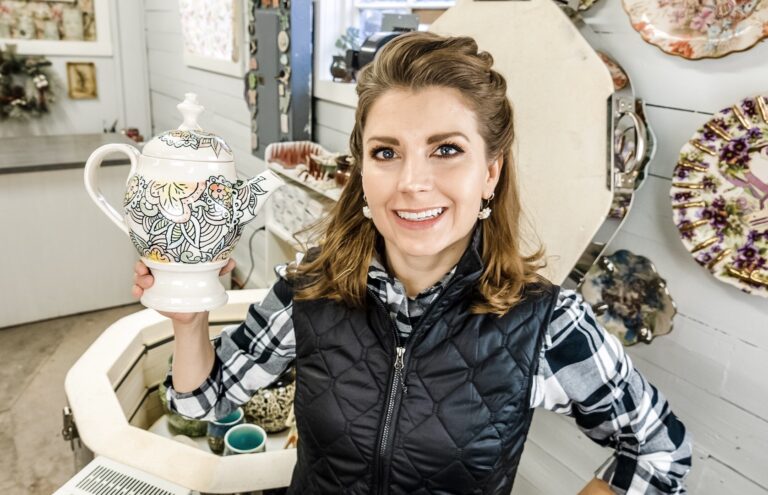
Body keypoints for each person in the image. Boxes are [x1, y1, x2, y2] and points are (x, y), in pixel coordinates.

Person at [133, 32, 691, 495]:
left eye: (446, 149)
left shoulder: (548, 323)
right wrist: (190, 319)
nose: (412, 183)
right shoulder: (309, 287)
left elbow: (659, 452)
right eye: (386, 152)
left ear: (490, 172)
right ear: (362, 169)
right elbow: (200, 402)